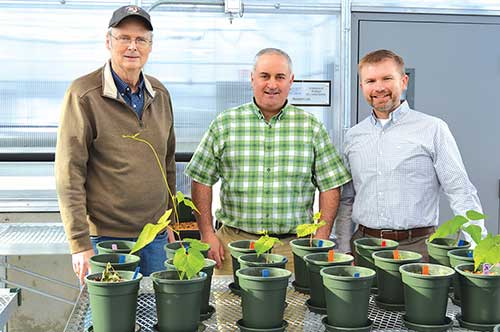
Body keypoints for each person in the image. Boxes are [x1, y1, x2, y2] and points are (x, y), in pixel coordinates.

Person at [185, 48, 351, 274]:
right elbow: (200, 179)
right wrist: (207, 234)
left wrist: (320, 239)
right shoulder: (225, 124)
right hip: (234, 245)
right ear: (252, 78)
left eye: (280, 77)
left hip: (293, 250)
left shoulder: (310, 127)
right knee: (230, 307)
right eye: (264, 76)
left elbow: (331, 184)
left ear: (291, 81)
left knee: (293, 308)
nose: (272, 84)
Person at [55, 5, 176, 284]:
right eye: (124, 38)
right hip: (106, 240)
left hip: (155, 236)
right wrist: (79, 243)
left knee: (156, 315)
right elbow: (69, 173)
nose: (132, 46)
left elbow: (167, 161)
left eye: (141, 39)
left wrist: (169, 219)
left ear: (150, 46)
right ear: (108, 42)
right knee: (107, 320)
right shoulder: (84, 94)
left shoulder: (160, 94)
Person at [334, 49, 485, 261]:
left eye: (387, 78)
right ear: (362, 86)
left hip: (419, 248)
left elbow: (460, 191)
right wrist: (343, 248)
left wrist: (478, 250)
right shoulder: (353, 137)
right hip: (364, 247)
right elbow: (346, 199)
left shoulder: (432, 128)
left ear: (403, 81)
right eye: (370, 81)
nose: (378, 87)